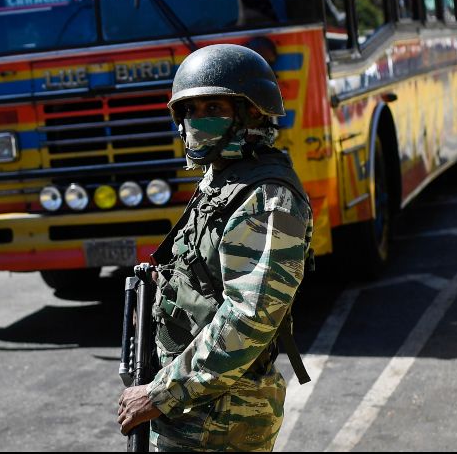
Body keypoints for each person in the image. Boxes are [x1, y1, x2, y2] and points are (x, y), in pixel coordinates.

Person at [117, 44, 313, 451]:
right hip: (196, 409)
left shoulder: (268, 197)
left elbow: (250, 318)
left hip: (225, 418)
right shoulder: (222, 181)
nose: (196, 121)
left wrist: (160, 394)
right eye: (189, 111)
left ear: (251, 114)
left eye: (213, 108)